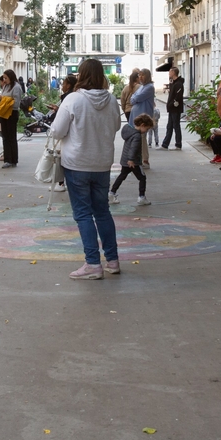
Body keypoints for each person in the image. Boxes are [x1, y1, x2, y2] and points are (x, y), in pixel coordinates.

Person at [50, 58, 122, 280]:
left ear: (81, 75)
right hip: (102, 163)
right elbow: (116, 126)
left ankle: (92, 264)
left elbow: (57, 131)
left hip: (77, 164)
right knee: (102, 212)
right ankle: (112, 260)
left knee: (83, 214)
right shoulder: (112, 100)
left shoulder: (73, 99)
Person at [110, 114, 153, 206]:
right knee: (142, 178)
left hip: (125, 160)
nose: (146, 131)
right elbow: (133, 148)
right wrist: (131, 159)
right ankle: (141, 197)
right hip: (134, 162)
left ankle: (112, 193)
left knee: (122, 176)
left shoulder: (129, 131)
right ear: (142, 125)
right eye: (147, 129)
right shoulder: (137, 136)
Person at [0, 69, 23, 167]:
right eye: (3, 78)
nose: (4, 80)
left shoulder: (16, 87)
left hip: (12, 113)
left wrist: (3, 99)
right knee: (5, 137)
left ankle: (13, 159)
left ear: (11, 77)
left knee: (11, 137)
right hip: (4, 113)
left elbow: (16, 102)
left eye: (6, 78)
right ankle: (7, 158)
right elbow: (4, 98)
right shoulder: (6, 86)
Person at [130, 69, 155, 167]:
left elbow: (137, 98)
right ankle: (140, 159)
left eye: (143, 75)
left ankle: (145, 160)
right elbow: (132, 98)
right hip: (137, 117)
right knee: (139, 138)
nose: (140, 77)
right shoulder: (141, 87)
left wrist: (134, 98)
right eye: (139, 75)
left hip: (143, 117)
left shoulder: (149, 87)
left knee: (142, 138)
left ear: (147, 76)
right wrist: (134, 98)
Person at [161, 66, 185, 150]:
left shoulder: (178, 84)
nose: (169, 73)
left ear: (174, 73)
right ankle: (165, 144)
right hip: (172, 108)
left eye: (170, 72)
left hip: (175, 108)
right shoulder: (173, 83)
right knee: (169, 126)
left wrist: (172, 104)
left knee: (176, 126)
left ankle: (178, 144)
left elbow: (177, 97)